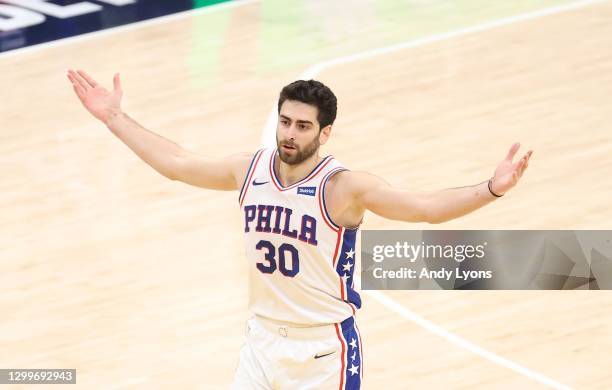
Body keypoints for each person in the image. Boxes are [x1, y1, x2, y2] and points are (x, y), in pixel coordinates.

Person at [66, 70, 533, 389]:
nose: (290, 133)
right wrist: (113, 117)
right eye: (285, 121)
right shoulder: (250, 170)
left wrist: (491, 189)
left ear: (324, 134)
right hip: (261, 341)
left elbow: (425, 208)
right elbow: (176, 164)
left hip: (323, 349)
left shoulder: (344, 188)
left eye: (303, 126)